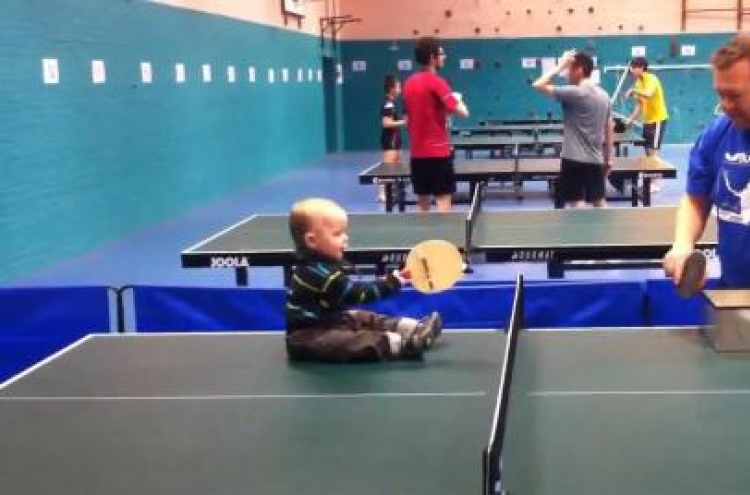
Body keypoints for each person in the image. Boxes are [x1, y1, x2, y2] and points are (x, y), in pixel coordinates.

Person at [285, 197, 443, 362]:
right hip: (308, 338)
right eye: (337, 234)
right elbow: (359, 294)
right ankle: (406, 345)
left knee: (360, 316)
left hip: (332, 321)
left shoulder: (321, 266)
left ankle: (412, 328)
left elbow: (352, 290)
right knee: (356, 342)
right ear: (312, 240)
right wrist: (391, 283)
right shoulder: (320, 274)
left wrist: (394, 279)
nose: (345, 238)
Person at [664, 33, 750, 289]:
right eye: (720, 94)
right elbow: (695, 200)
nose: (725, 105)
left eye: (734, 95)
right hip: (733, 298)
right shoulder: (717, 135)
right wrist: (682, 244)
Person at [532, 50, 613, 208]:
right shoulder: (605, 95)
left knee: (576, 204)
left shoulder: (573, 92)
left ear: (580, 69)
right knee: (599, 203)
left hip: (572, 159)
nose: (565, 73)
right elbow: (609, 128)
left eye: (569, 69)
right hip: (595, 160)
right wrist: (608, 159)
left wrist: (558, 65)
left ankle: (581, 233)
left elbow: (538, 85)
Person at [403, 37, 469, 213]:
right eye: (442, 53)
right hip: (438, 152)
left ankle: (423, 239)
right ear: (433, 57)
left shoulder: (408, 83)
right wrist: (458, 98)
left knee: (422, 202)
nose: (444, 56)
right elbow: (463, 113)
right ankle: (443, 239)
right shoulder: (437, 82)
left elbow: (417, 115)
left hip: (417, 154)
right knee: (443, 200)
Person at [624, 57, 669, 191]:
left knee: (652, 153)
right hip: (647, 121)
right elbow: (640, 105)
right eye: (631, 67)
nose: (631, 70)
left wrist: (633, 91)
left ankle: (655, 184)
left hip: (658, 120)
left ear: (641, 67)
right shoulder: (638, 82)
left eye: (633, 67)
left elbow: (648, 94)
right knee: (647, 152)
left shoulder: (651, 79)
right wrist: (630, 120)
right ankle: (649, 181)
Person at [378, 74, 407, 203]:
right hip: (390, 140)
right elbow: (386, 123)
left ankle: (395, 190)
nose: (400, 89)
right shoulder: (388, 104)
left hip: (395, 139)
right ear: (391, 88)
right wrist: (405, 122)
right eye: (398, 86)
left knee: (397, 167)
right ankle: (382, 194)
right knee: (387, 168)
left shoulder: (391, 103)